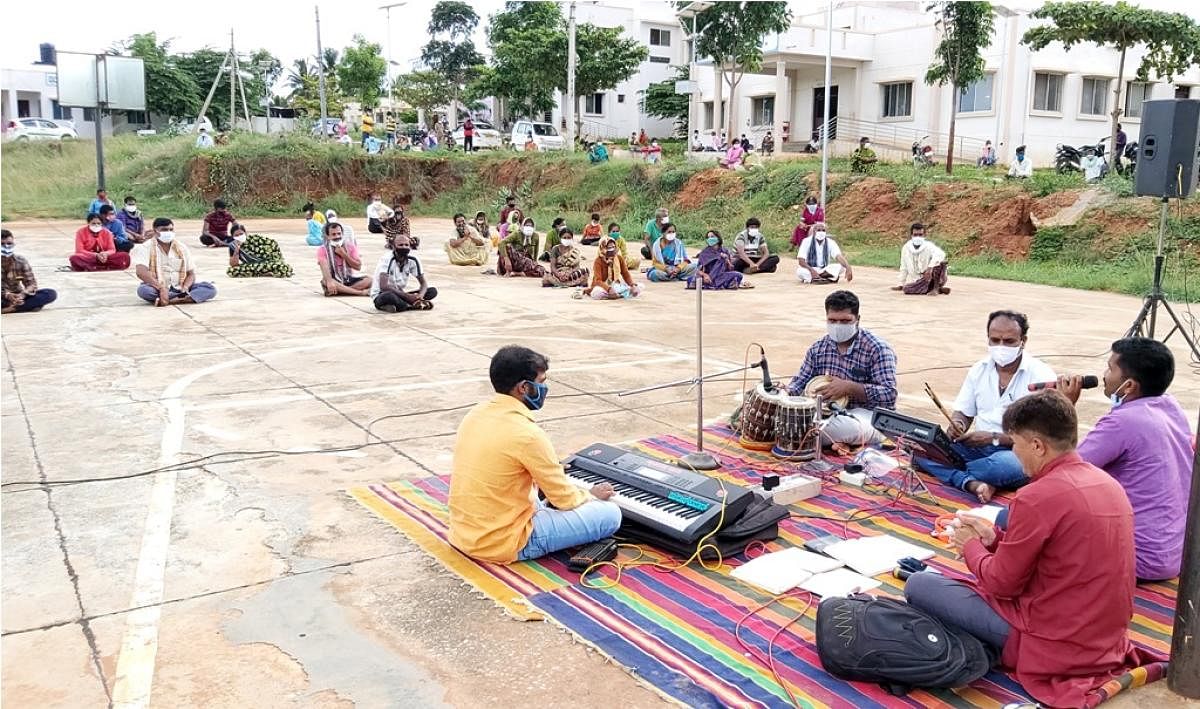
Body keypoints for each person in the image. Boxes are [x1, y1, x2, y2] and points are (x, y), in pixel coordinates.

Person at [905, 390, 1153, 709]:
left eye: (1016, 444)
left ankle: (988, 650)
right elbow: (1060, 558)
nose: (1016, 453)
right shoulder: (1107, 483)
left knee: (921, 584)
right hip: (1106, 640)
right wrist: (993, 539)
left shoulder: (1037, 495)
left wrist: (970, 547)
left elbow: (1003, 584)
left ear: (1037, 445)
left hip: (1052, 644)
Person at [448, 345, 621, 563]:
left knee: (537, 495)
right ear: (523, 387)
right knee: (610, 515)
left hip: (464, 534)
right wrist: (591, 496)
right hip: (504, 543)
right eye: (541, 382)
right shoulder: (528, 435)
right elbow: (564, 499)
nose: (545, 388)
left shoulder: (476, 414)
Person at [1055, 338, 1192, 582]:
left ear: (1128, 386)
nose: (1104, 376)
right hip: (1173, 554)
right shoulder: (1171, 407)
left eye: (1110, 368)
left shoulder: (1123, 422)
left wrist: (1064, 406)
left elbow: (1062, 471)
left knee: (1039, 521)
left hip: (1138, 558)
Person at [914, 310, 1055, 502]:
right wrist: (958, 424)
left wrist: (993, 438)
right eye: (995, 340)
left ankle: (965, 476)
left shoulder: (1041, 375)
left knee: (1004, 467)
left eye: (1009, 341)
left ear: (1024, 340)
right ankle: (975, 482)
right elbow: (963, 413)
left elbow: (1040, 437)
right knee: (919, 451)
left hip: (1016, 451)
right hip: (977, 448)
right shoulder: (979, 369)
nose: (1001, 346)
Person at [786, 290, 897, 446]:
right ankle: (817, 437)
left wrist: (849, 387)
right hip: (825, 414)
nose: (837, 326)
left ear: (857, 320)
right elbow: (800, 382)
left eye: (845, 321)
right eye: (832, 321)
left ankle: (807, 437)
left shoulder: (877, 349)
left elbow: (889, 395)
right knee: (788, 418)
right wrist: (783, 394)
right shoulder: (818, 349)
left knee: (837, 428)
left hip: (867, 416)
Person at [133, 218, 217, 305]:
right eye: (164, 230)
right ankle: (184, 298)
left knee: (211, 288)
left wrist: (185, 287)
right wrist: (161, 288)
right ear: (155, 231)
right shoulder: (146, 247)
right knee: (143, 291)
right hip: (157, 287)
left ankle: (171, 300)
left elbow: (191, 274)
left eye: (171, 229)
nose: (168, 232)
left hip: (180, 287)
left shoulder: (181, 247)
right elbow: (141, 272)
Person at [372, 234, 436, 312]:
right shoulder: (387, 259)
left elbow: (423, 283)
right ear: (393, 246)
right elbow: (384, 286)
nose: (404, 247)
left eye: (406, 245)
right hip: (382, 294)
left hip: (400, 294)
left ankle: (410, 303)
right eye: (400, 245)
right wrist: (407, 297)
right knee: (390, 296)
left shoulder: (413, 259)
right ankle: (409, 305)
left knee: (432, 291)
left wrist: (420, 296)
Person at [2, 229, 57, 314]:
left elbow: (31, 284)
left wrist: (22, 295)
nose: (6, 247)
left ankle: (11, 309)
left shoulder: (20, 260)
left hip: (17, 295)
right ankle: (25, 307)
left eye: (9, 244)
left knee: (50, 293)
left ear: (13, 244)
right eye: (2, 244)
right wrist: (7, 295)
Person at [892, 222, 950, 295]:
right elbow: (904, 267)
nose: (918, 237)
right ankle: (938, 289)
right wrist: (901, 283)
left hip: (932, 277)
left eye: (920, 235)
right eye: (915, 235)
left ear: (924, 235)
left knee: (941, 262)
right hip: (919, 281)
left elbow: (941, 254)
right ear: (911, 235)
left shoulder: (929, 246)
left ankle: (935, 288)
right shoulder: (906, 248)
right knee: (906, 289)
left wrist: (930, 267)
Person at [317, 222, 372, 297]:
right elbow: (324, 268)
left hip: (348, 279)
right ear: (327, 236)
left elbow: (358, 267)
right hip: (334, 280)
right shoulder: (322, 249)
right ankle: (359, 293)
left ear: (342, 234)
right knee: (325, 281)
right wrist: (329, 282)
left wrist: (344, 254)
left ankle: (341, 291)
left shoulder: (350, 246)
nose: (337, 236)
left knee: (369, 280)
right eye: (333, 234)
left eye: (339, 233)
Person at [226, 222, 293, 278]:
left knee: (282, 268)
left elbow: (272, 245)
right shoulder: (233, 246)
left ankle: (262, 272)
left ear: (245, 233)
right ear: (233, 237)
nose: (239, 236)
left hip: (268, 262)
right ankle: (263, 273)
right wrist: (237, 250)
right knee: (232, 271)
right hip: (251, 266)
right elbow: (234, 265)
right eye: (236, 235)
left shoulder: (256, 239)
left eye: (241, 234)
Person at [590, 236, 642, 300]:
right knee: (596, 293)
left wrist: (632, 285)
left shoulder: (619, 258)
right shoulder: (598, 261)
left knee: (639, 287)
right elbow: (598, 281)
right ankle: (615, 295)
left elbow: (625, 273)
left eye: (613, 247)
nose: (612, 249)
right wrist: (609, 289)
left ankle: (617, 295)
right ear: (602, 248)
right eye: (609, 247)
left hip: (615, 285)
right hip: (602, 286)